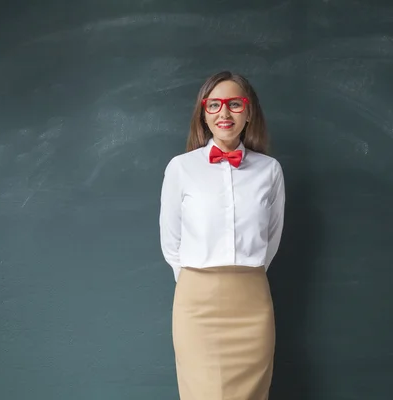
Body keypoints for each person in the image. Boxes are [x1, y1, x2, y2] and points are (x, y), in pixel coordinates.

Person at [159, 70, 286, 400]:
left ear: (249, 112)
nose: (224, 113)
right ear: (203, 113)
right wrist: (197, 283)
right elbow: (171, 241)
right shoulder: (180, 168)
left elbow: (271, 239)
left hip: (252, 303)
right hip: (196, 303)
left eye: (234, 104)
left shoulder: (270, 171)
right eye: (213, 105)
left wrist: (244, 276)